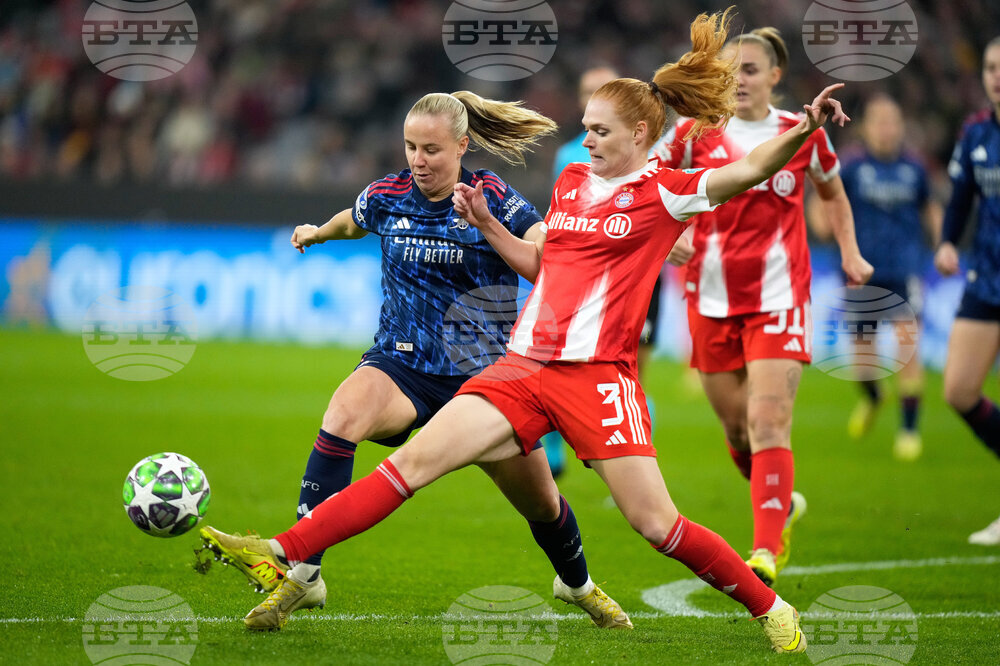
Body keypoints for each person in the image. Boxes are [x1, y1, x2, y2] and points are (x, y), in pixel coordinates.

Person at [200, 9, 850, 652]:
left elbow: (748, 171)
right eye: (586, 128)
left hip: (598, 377)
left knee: (656, 524)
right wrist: (488, 226)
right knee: (412, 464)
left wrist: (806, 131)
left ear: (642, 132)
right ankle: (279, 552)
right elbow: (544, 264)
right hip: (522, 368)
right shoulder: (570, 184)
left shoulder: (668, 192)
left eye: (599, 132)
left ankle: (770, 606)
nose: (586, 141)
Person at [198, 91, 633, 631]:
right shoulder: (389, 195)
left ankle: (577, 585)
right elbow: (354, 220)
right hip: (400, 365)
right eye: (410, 147)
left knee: (542, 503)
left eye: (431, 149)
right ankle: (303, 578)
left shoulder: (492, 196)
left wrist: (533, 234)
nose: (419, 160)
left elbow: (541, 247)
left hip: (484, 379)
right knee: (341, 416)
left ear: (462, 146)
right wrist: (318, 231)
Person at [654, 27, 873, 587]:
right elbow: (650, 186)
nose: (741, 79)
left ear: (775, 76)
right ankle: (781, 501)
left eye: (751, 69)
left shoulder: (803, 133)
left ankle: (765, 550)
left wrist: (849, 251)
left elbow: (832, 193)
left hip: (780, 297)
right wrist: (665, 233)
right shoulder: (692, 134)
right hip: (710, 298)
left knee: (768, 421)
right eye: (733, 70)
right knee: (738, 432)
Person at [835, 94, 942, 461]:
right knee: (863, 363)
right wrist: (822, 224)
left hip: (905, 270)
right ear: (866, 127)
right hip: (861, 272)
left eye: (891, 122)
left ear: (900, 127)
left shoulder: (914, 169)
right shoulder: (851, 167)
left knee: (907, 350)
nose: (886, 129)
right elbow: (828, 196)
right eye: (879, 122)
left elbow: (930, 206)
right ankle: (874, 397)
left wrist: (942, 240)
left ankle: (909, 431)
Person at [936, 36, 1000, 546]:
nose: (997, 75)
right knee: (958, 389)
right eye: (991, 66)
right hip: (987, 275)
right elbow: (960, 199)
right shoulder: (976, 132)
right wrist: (947, 243)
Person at [543, 65, 621, 477]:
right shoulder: (568, 157)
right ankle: (554, 455)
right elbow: (561, 217)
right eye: (592, 92)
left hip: (630, 279)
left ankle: (629, 458)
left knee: (629, 370)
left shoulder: (650, 150)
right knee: (554, 358)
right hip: (580, 275)